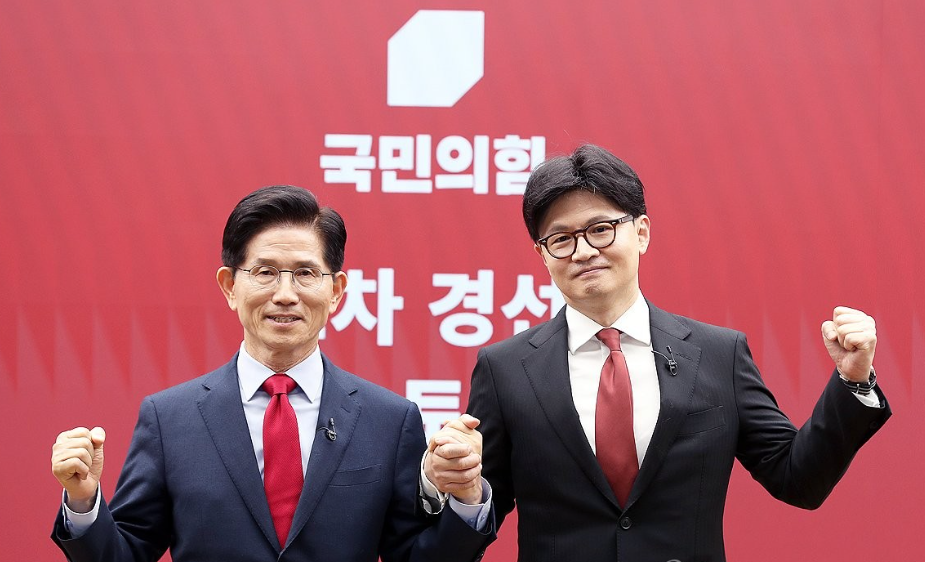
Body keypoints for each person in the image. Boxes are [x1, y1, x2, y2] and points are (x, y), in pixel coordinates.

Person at [431, 144, 891, 561]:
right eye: (561, 239)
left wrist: (853, 380)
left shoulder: (718, 354)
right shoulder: (506, 368)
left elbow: (798, 480)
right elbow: (482, 505)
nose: (583, 251)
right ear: (543, 254)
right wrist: (461, 486)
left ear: (642, 232)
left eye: (601, 229)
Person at [50, 185, 495, 562]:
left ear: (336, 290)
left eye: (305, 273)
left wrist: (467, 497)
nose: (285, 294)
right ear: (230, 286)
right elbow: (126, 552)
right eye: (265, 272)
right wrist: (84, 501)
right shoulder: (170, 419)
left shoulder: (390, 419)